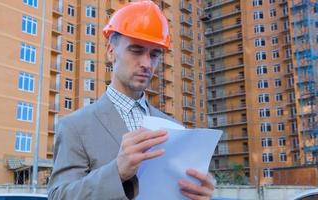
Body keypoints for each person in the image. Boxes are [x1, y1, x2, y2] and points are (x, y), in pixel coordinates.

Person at [48, 1, 215, 199]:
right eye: (136, 50)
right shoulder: (74, 127)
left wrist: (199, 194)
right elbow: (59, 196)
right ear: (111, 52)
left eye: (154, 54)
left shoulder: (174, 129)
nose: (146, 63)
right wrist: (117, 171)